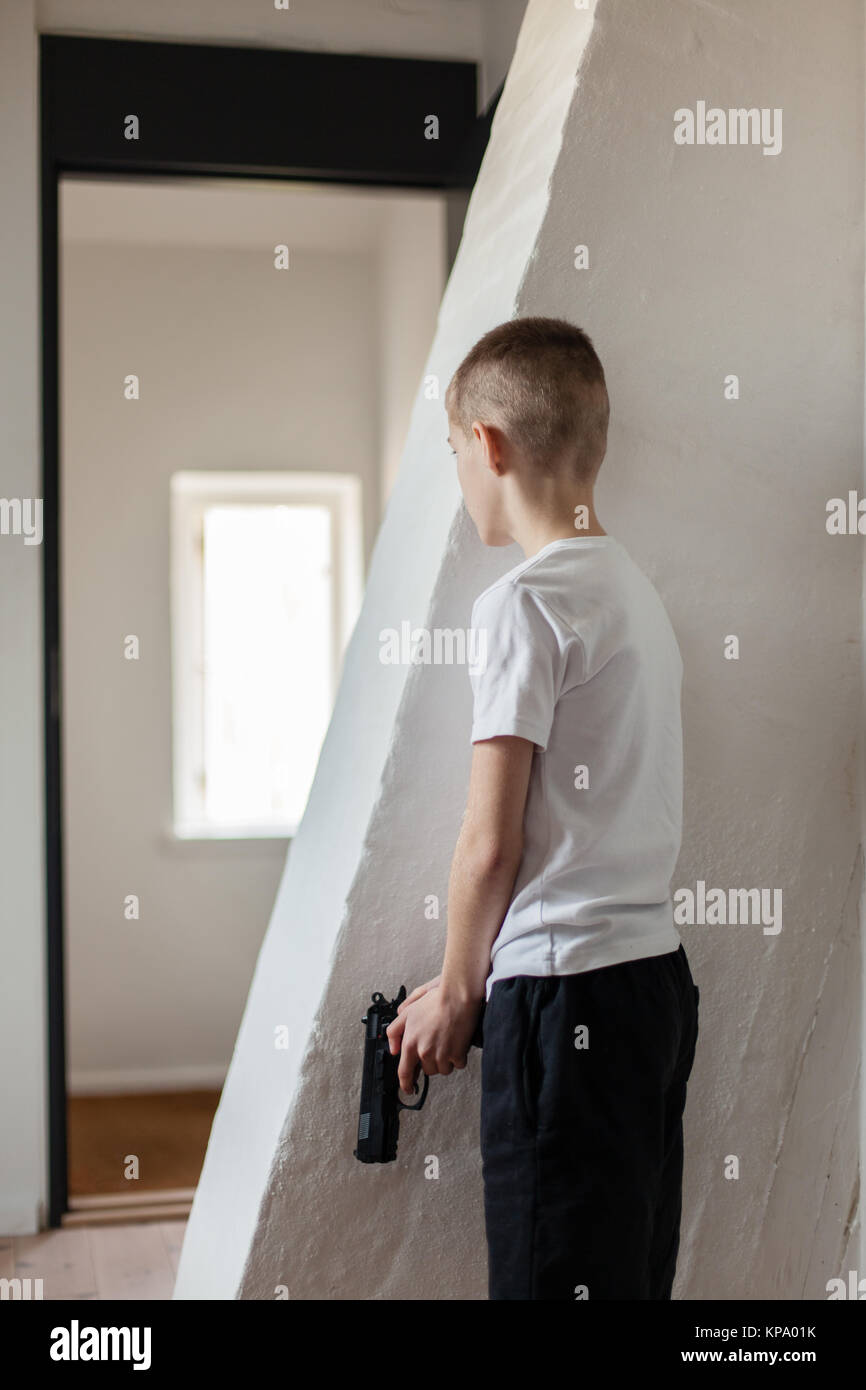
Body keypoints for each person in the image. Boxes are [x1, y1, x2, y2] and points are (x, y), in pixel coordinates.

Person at [385, 315, 699, 1300]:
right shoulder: (634, 592)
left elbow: (490, 841)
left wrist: (453, 990)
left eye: (452, 452)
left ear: (486, 443)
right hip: (651, 985)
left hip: (564, 999)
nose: (459, 475)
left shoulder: (522, 603)